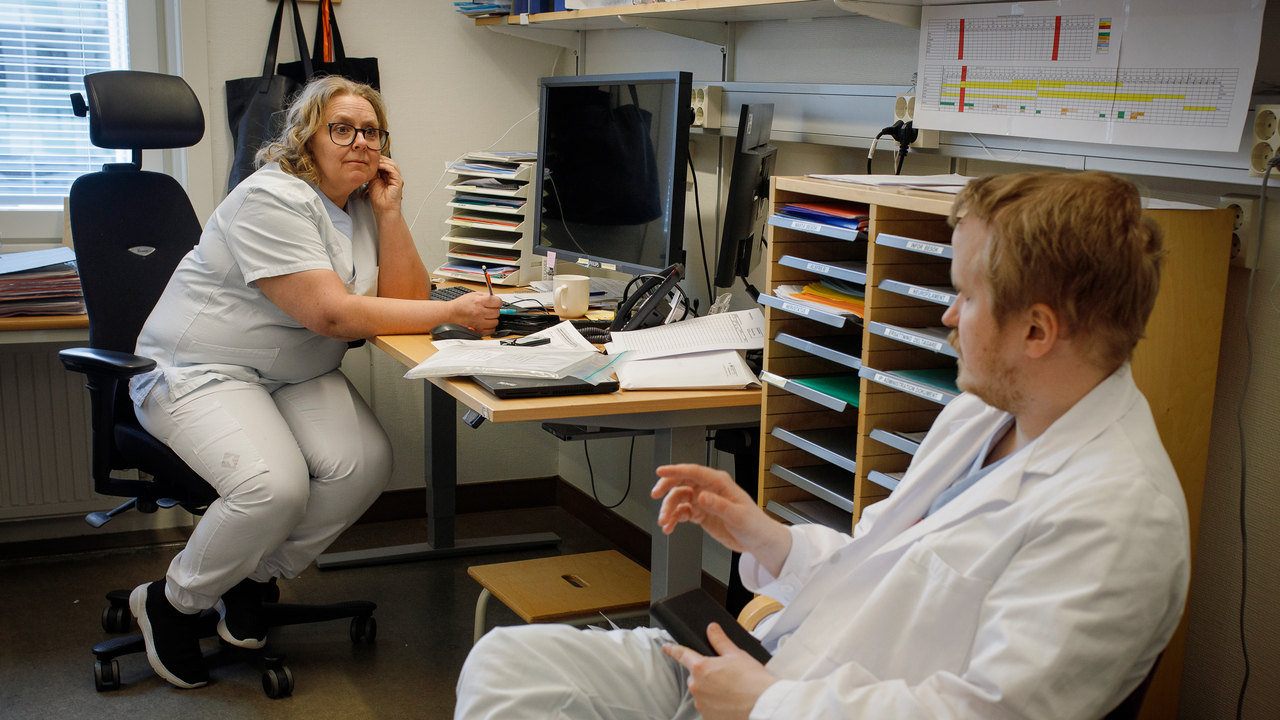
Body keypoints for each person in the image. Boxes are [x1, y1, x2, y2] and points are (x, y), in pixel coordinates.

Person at [454, 170, 1190, 720]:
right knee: (505, 667)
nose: (946, 313)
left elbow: (985, 714)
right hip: (776, 672)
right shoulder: (986, 413)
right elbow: (878, 568)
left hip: (789, 701)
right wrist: (771, 539)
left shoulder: (1118, 520)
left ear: (1037, 331)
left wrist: (769, 704)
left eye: (966, 295)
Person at [127, 76, 503, 689]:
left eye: (371, 132)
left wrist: (389, 211)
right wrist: (452, 310)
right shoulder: (271, 198)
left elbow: (405, 298)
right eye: (341, 128)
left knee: (365, 463)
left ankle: (250, 579)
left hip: (294, 374)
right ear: (308, 137)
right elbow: (330, 314)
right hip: (201, 371)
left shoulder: (357, 205)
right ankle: (174, 600)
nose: (359, 142)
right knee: (273, 488)